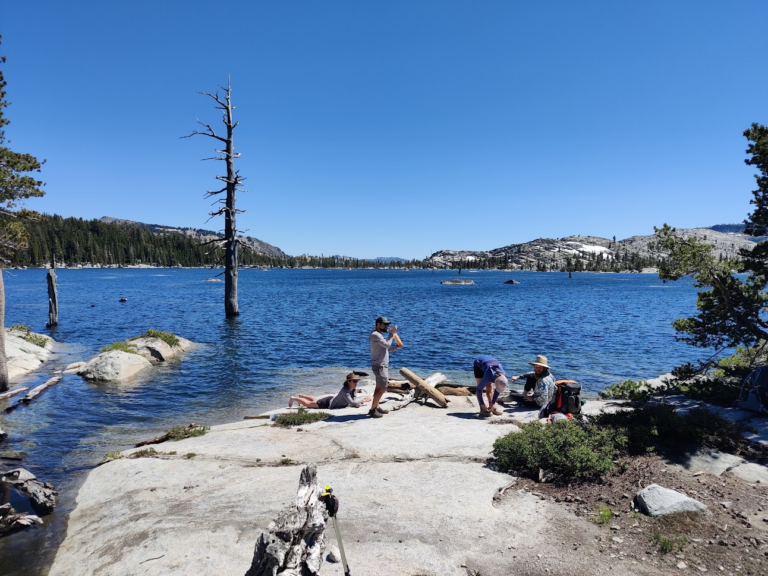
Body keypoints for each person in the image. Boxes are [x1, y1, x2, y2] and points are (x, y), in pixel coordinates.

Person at [368, 316, 403, 418]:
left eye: (387, 325)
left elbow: (385, 349)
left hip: (380, 365)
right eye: (384, 324)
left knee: (378, 387)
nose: (386, 326)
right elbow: (387, 345)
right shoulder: (376, 335)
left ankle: (376, 407)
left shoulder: (378, 335)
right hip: (380, 366)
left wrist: (396, 347)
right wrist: (391, 334)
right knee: (383, 388)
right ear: (378, 324)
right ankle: (372, 410)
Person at [288, 373, 371, 409]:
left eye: (356, 381)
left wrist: (361, 401)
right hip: (328, 404)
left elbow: (354, 401)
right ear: (349, 382)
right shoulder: (345, 390)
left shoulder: (353, 390)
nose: (356, 383)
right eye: (354, 381)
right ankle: (293, 398)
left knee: (316, 400)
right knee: (308, 404)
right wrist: (363, 400)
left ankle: (302, 396)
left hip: (331, 400)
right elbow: (352, 403)